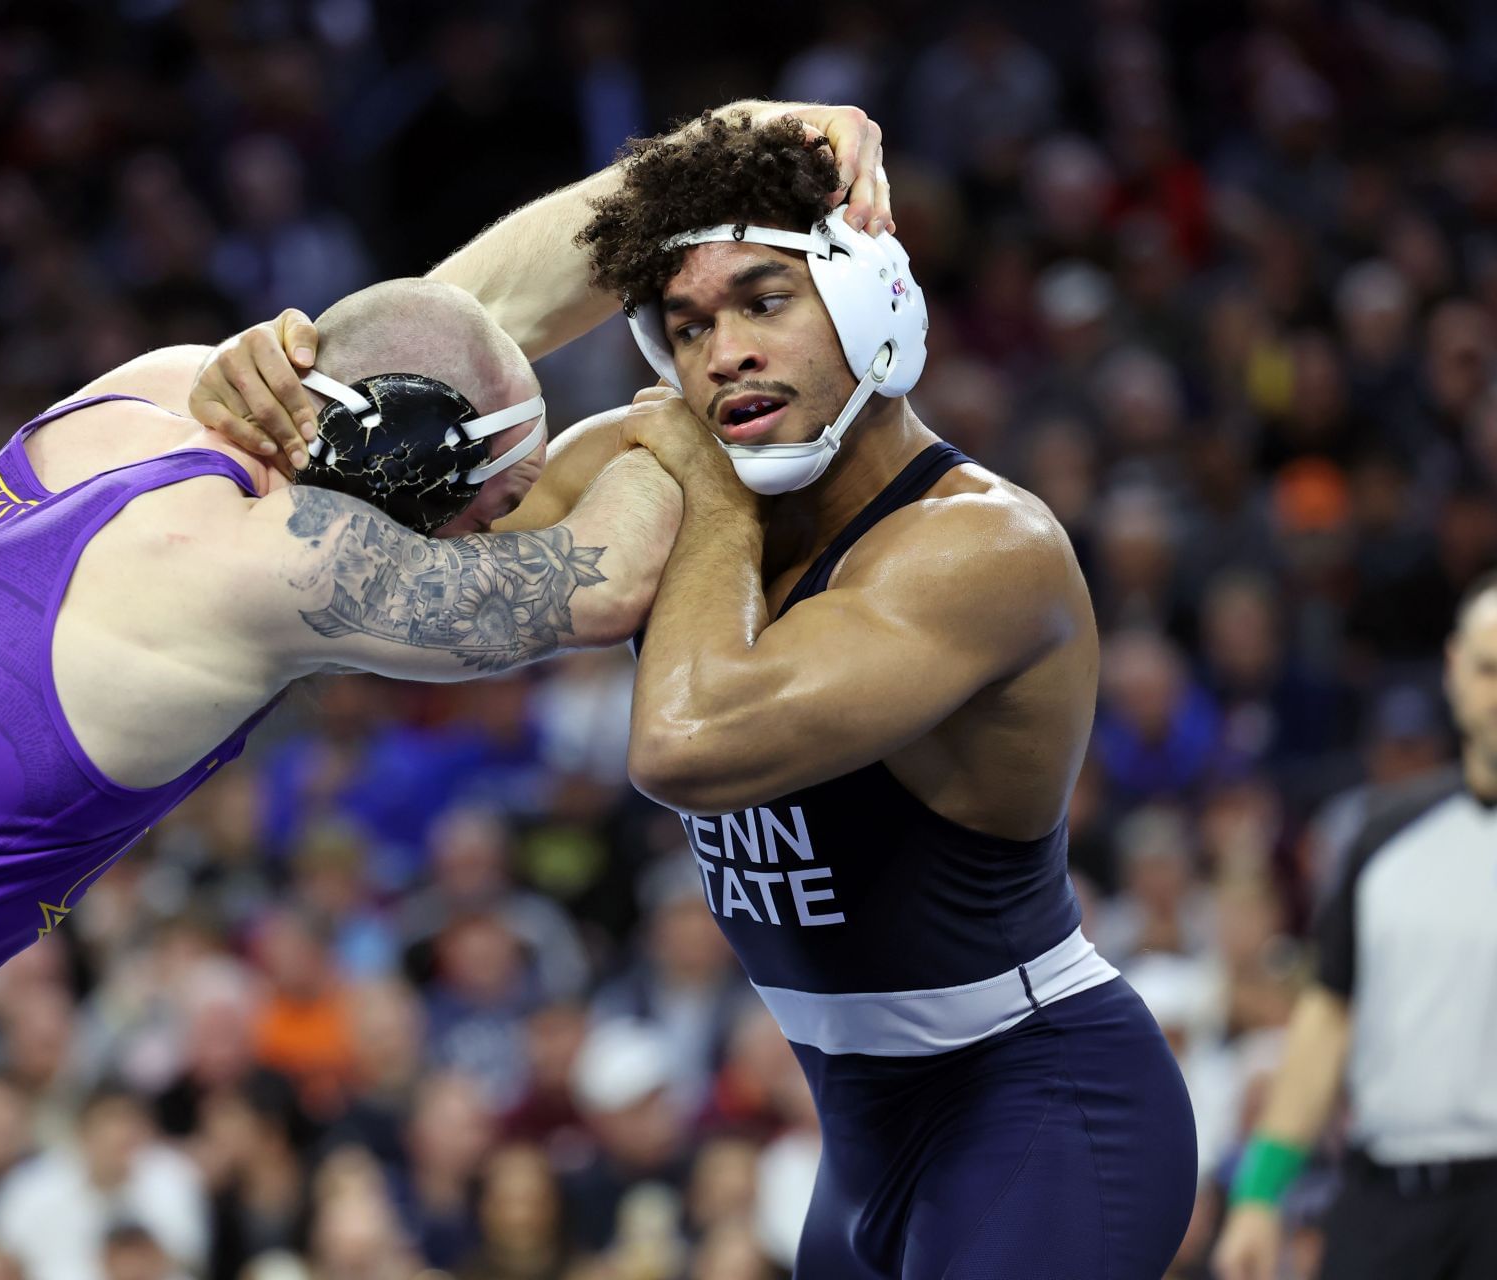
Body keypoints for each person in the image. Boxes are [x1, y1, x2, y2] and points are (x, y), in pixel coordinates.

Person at [203, 105, 1197, 1278]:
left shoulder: (982, 549)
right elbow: (391, 530)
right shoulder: (672, 454)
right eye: (684, 325)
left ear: (872, 296)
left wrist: (708, 498)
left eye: (762, 301)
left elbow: (685, 740)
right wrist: (283, 399)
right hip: (869, 1141)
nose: (720, 354)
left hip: (1043, 1105)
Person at [0, 275, 685, 1279]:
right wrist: (683, 418)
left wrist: (681, 179)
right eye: (493, 503)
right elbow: (608, 581)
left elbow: (436, 325)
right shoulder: (255, 571)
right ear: (406, 463)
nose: (490, 529)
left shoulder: (151, 403)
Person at [1214, 575, 1497, 1280]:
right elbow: (1326, 1017)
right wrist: (1258, 1193)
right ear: (1454, 669)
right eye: (1490, 668)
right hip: (1384, 1195)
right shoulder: (1380, 838)